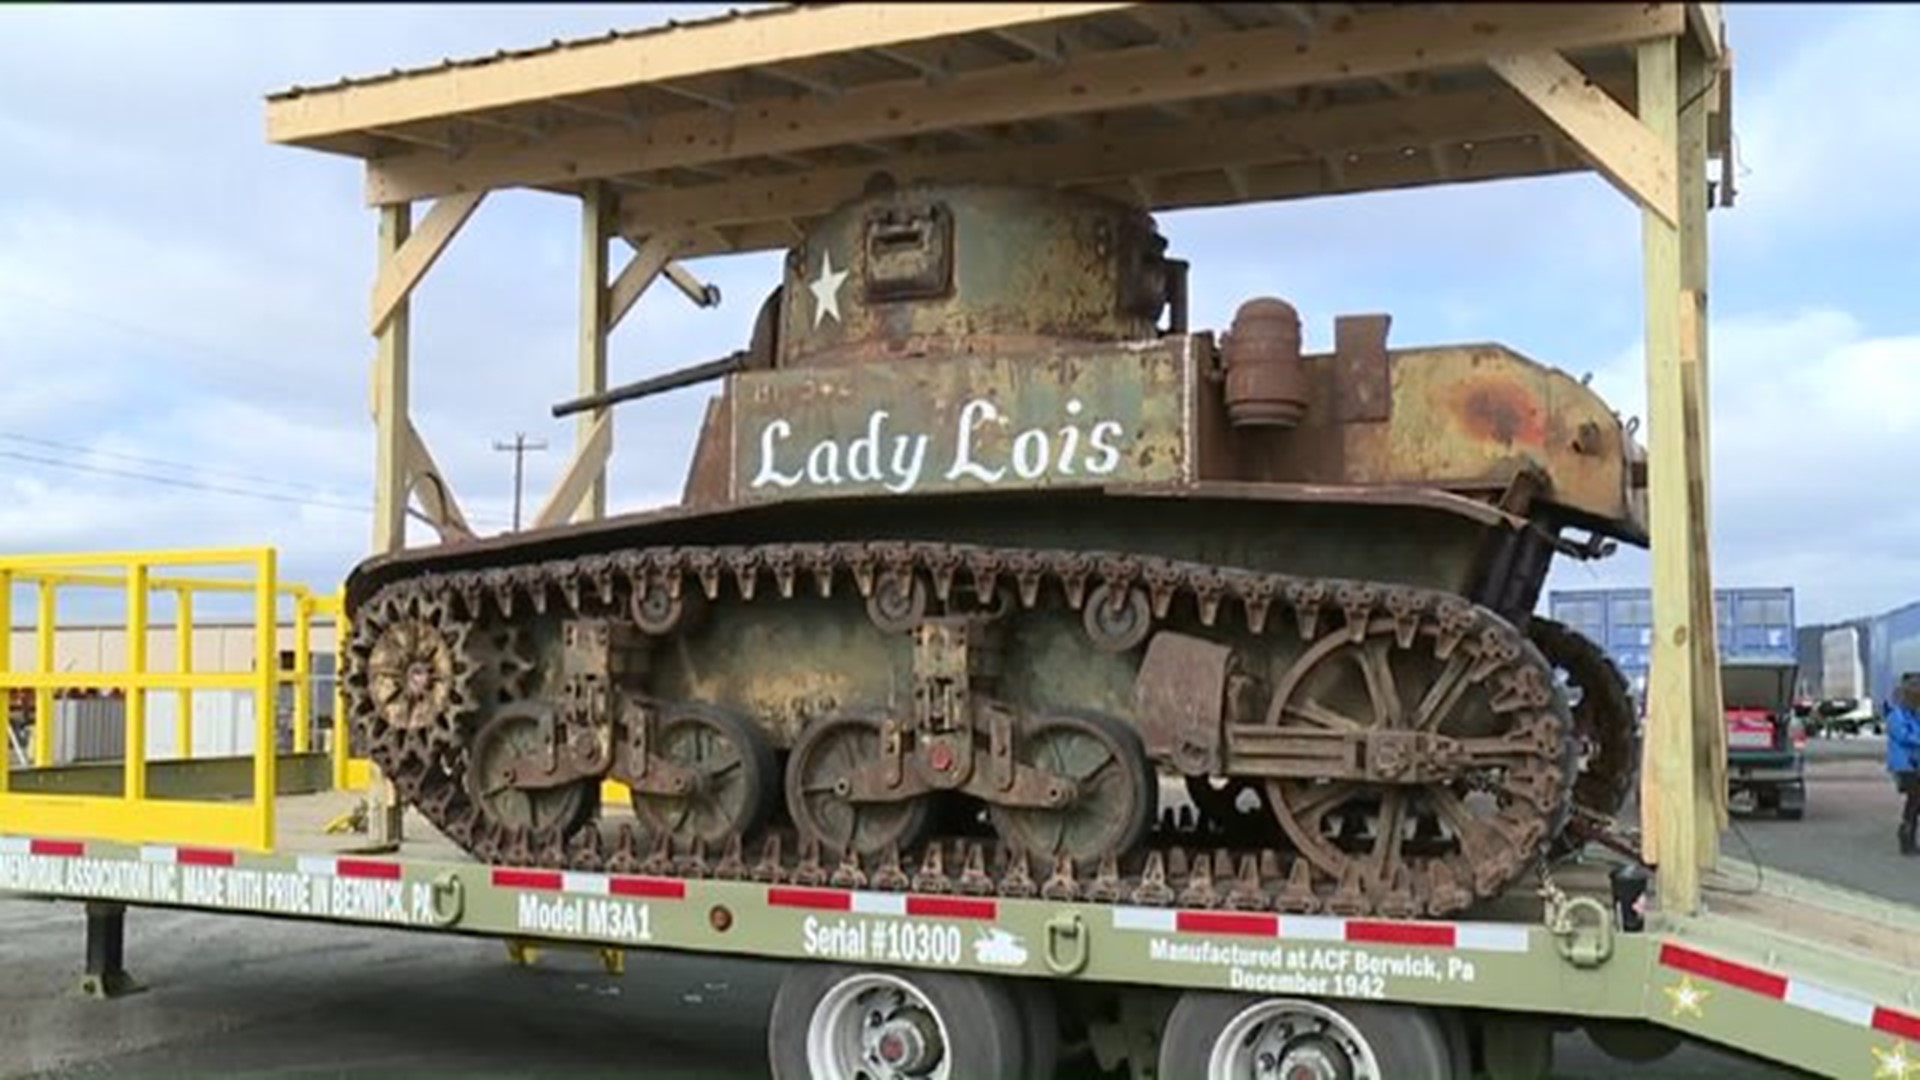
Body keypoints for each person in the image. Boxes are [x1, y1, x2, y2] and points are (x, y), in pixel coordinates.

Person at [1890, 674, 1920, 856]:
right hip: (1905, 765)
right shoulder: (1897, 715)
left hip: (1914, 764)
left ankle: (1908, 836)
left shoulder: (1912, 714)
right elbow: (1904, 737)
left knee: (1915, 801)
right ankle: (1906, 837)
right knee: (1914, 800)